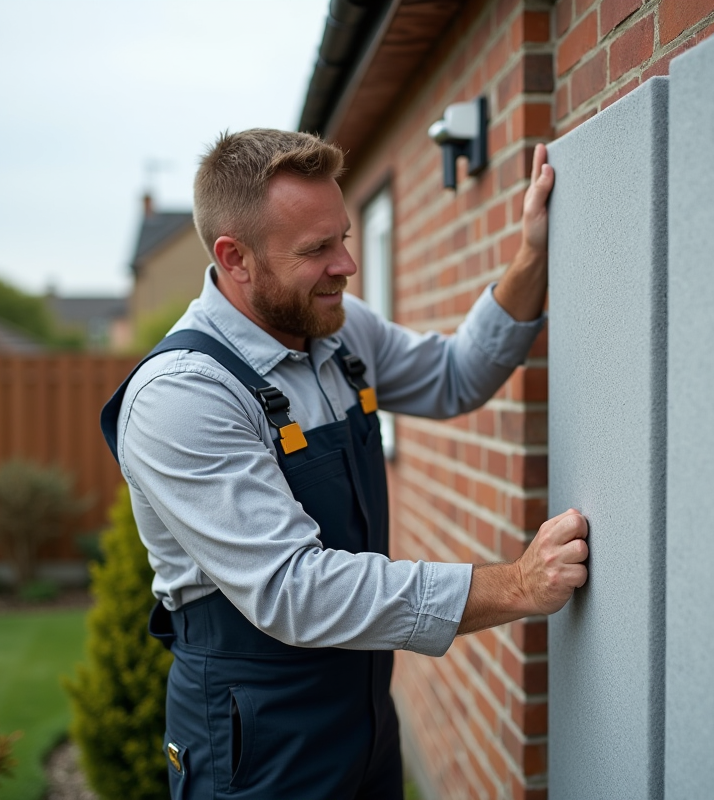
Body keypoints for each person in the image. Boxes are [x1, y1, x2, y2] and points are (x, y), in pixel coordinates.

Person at [99, 128, 588, 800]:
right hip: (257, 747)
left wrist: (533, 255)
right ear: (234, 257)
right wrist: (518, 586)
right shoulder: (182, 396)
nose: (346, 267)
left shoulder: (339, 330)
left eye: (346, 238)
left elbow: (455, 376)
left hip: (363, 717)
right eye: (317, 250)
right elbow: (295, 589)